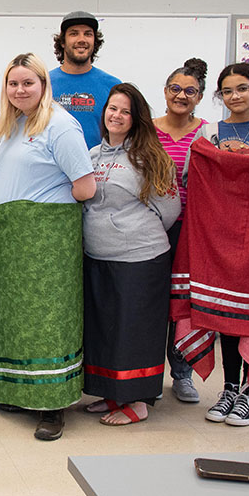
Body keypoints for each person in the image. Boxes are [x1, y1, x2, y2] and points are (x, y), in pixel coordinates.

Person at [174, 63, 249, 428]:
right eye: (227, 91)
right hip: (219, 242)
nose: (235, 97)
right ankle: (229, 387)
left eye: (242, 89)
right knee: (223, 315)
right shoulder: (209, 136)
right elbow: (196, 182)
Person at [0, 53, 96, 441]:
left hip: (46, 237)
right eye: (13, 84)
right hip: (12, 236)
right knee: (15, 318)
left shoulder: (60, 125)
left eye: (27, 83)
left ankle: (53, 404)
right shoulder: (14, 124)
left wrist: (40, 208)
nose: (20, 90)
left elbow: (85, 185)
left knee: (49, 319)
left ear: (43, 85)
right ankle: (19, 391)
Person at [81, 83, 180, 426]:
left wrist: (130, 230)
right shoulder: (91, 156)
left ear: (136, 118)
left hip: (140, 258)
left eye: (125, 111)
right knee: (105, 329)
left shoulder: (151, 157)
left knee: (134, 331)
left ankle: (137, 401)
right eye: (112, 108)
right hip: (97, 255)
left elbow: (169, 210)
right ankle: (112, 393)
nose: (117, 116)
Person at [153, 58, 209, 404]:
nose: (181, 95)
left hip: (194, 230)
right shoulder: (147, 128)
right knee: (153, 304)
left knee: (185, 304)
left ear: (199, 97)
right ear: (165, 91)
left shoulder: (207, 132)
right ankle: (148, 373)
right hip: (154, 230)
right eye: (175, 89)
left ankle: (183, 373)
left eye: (190, 91)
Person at [49, 11, 121, 149]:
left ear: (95, 41)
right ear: (63, 42)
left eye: (88, 34)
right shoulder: (43, 84)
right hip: (52, 168)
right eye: (74, 33)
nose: (81, 39)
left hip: (98, 167)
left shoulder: (113, 86)